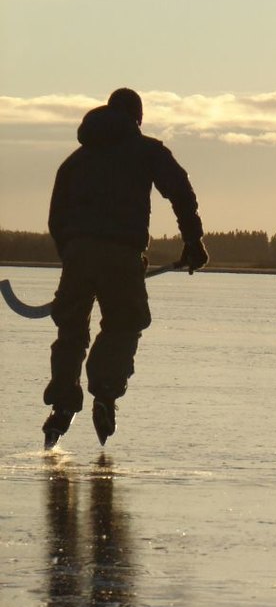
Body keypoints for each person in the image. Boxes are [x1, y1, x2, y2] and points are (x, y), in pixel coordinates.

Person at [42, 88, 208, 448]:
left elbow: (56, 216)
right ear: (138, 118)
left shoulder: (75, 161)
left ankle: (61, 405)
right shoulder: (148, 151)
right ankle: (104, 393)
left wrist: (71, 253)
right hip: (121, 255)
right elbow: (180, 191)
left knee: (71, 331)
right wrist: (193, 241)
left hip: (78, 254)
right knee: (124, 324)